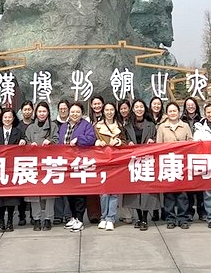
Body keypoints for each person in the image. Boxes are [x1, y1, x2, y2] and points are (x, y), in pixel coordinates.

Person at [59, 102, 97, 232]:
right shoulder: (64, 126)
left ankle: (80, 219)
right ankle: (73, 217)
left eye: (77, 112)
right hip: (67, 163)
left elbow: (91, 139)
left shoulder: (86, 125)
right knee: (69, 192)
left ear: (82, 114)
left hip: (80, 163)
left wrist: (79, 139)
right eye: (72, 112)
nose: (74, 114)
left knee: (80, 193)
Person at [123, 99, 159, 230]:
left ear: (145, 109)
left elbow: (156, 139)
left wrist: (152, 141)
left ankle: (144, 218)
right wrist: (127, 143)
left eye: (141, 107)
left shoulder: (151, 125)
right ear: (133, 109)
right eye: (136, 107)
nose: (139, 109)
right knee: (135, 191)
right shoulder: (127, 126)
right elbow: (124, 140)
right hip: (133, 161)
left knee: (146, 191)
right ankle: (139, 217)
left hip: (147, 160)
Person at [0, 107, 27, 232]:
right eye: (5, 117)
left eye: (10, 117)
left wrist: (23, 142)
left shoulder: (18, 132)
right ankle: (0, 222)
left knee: (11, 198)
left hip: (12, 169)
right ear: (1, 118)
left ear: (13, 118)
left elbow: (24, 146)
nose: (7, 119)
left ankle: (10, 221)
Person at [157, 101, 194, 229]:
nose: (172, 113)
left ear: (179, 112)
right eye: (170, 111)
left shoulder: (185, 126)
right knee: (169, 194)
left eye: (175, 111)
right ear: (167, 113)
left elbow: (191, 142)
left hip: (182, 163)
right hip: (167, 163)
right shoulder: (162, 127)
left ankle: (183, 218)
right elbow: (158, 145)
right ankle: (170, 218)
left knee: (182, 194)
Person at [95, 102, 129, 230]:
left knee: (114, 192)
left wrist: (119, 141)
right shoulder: (97, 126)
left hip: (116, 162)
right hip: (102, 162)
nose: (109, 112)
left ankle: (111, 218)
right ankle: (103, 217)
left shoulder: (120, 126)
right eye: (107, 110)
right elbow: (91, 140)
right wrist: (97, 142)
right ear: (103, 111)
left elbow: (126, 141)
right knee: (103, 192)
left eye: (111, 110)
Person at [25, 102, 58, 230]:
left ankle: (49, 218)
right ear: (36, 113)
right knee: (34, 192)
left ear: (48, 112)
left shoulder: (53, 126)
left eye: (44, 111)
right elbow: (25, 141)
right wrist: (29, 145)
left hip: (48, 162)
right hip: (33, 163)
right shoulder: (30, 128)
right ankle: (37, 218)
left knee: (49, 192)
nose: (42, 114)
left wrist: (50, 142)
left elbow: (57, 141)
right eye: (39, 111)